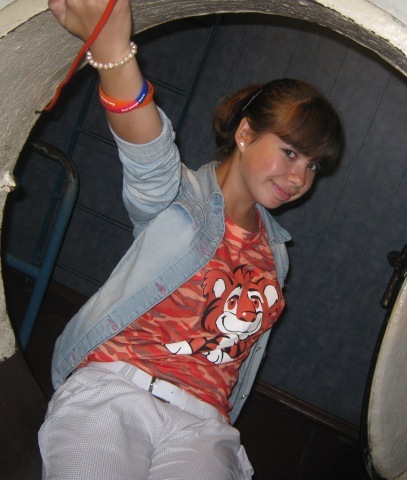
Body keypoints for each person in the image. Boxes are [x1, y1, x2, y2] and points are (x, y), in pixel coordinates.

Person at [40, 0, 344, 479]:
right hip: (117, 390)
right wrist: (114, 51)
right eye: (290, 152)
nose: (300, 177)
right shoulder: (182, 198)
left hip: (203, 424)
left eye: (313, 166)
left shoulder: (276, 253)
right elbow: (149, 152)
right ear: (246, 133)